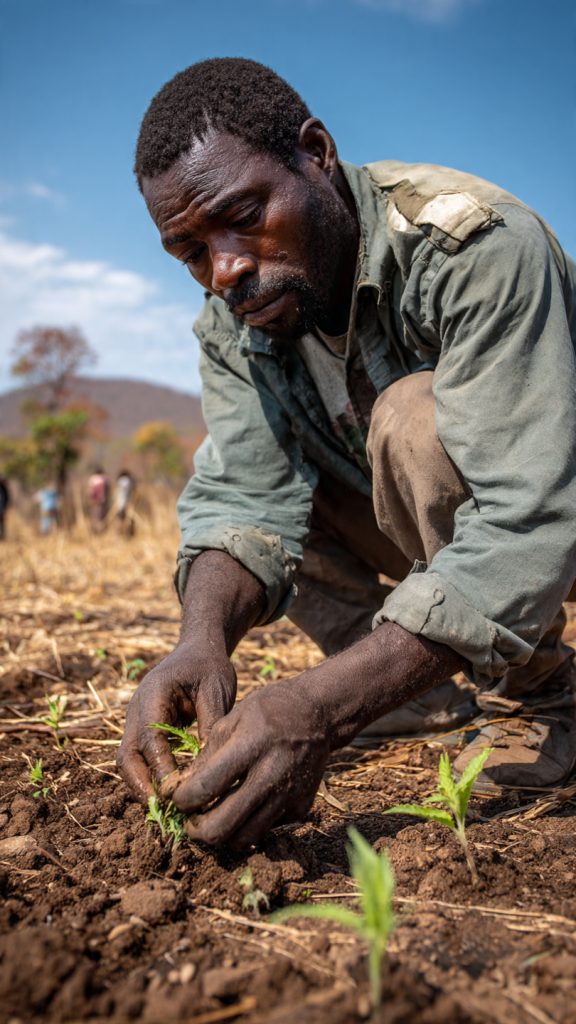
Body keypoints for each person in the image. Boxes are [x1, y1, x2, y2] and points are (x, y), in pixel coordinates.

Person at [117, 58, 576, 849]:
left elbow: (528, 517)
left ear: (316, 154)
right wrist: (200, 641)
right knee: (272, 506)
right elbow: (243, 497)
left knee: (410, 419)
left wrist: (321, 709)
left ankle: (537, 699)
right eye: (190, 252)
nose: (224, 269)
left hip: (550, 504)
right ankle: (416, 696)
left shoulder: (474, 247)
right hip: (457, 528)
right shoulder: (236, 318)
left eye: (242, 215)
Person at [87, 466, 110, 531]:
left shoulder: (92, 479)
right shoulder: (105, 479)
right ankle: (101, 528)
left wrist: (91, 499)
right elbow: (108, 490)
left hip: (94, 501)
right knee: (102, 515)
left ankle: (96, 528)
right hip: (103, 500)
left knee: (95, 515)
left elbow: (90, 491)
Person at [0, 476, 10, 540]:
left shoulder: (3, 488)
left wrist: (4, 508)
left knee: (1, 521)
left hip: (1, 507)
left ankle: (2, 535)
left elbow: (6, 498)